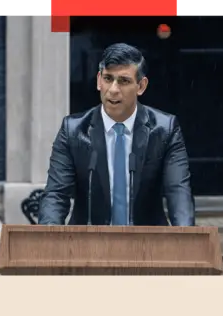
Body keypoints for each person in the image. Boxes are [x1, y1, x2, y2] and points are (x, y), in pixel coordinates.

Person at [38, 43, 195, 226]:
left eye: (124, 81)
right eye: (108, 78)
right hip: (88, 246)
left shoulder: (164, 130)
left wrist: (185, 239)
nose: (113, 89)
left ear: (141, 86)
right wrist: (49, 238)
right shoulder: (73, 130)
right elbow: (57, 194)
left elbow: (178, 191)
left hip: (147, 245)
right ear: (98, 80)